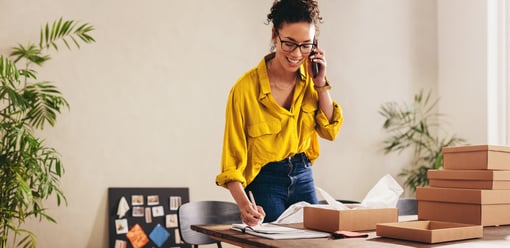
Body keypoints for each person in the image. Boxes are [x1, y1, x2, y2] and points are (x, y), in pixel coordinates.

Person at [215, 0, 343, 226]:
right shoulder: (245, 90)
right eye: (289, 43)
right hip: (266, 181)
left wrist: (321, 82)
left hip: (303, 174)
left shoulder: (312, 79)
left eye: (306, 45)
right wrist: (245, 206)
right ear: (275, 35)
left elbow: (330, 129)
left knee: (316, 242)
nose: (297, 54)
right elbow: (231, 163)